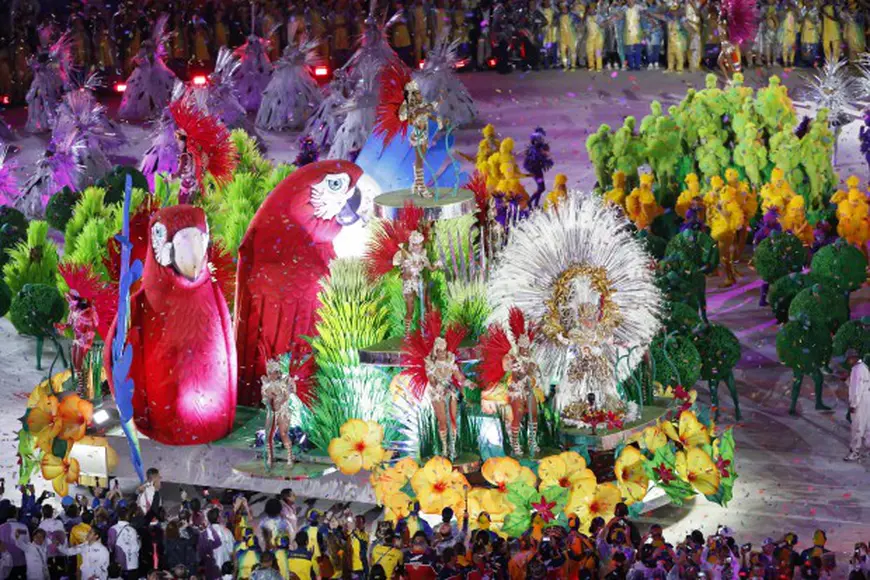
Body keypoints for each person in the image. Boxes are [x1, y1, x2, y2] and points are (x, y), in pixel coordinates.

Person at [845, 357, 870, 461]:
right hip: (867, 399)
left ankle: (855, 452)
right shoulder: (864, 367)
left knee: (857, 427)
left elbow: (857, 389)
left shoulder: (857, 369)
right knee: (868, 426)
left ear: (853, 358)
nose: (848, 361)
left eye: (849, 359)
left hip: (860, 401)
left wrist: (853, 405)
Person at [108, 510, 140, 579]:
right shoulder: (133, 530)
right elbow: (137, 547)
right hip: (133, 563)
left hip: (120, 564)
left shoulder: (112, 529)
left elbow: (110, 547)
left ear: (118, 517)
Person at [0, 506, 28, 580]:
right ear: (16, 514)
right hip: (21, 563)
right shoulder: (23, 527)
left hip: (5, 565)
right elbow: (27, 545)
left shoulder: (1, 528)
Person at [36, 505, 64, 580]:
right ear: (52, 512)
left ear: (43, 514)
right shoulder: (59, 523)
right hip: (60, 554)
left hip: (49, 555)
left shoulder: (41, 525)